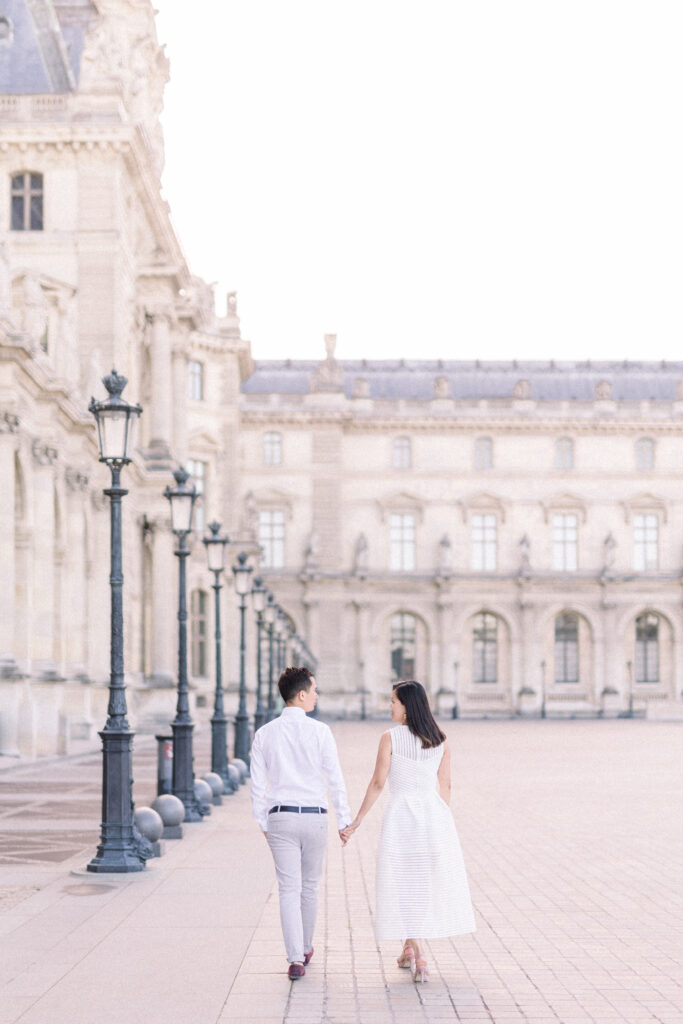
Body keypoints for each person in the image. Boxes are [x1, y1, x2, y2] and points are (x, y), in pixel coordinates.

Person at [342, 680, 476, 982]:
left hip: (401, 818)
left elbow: (378, 783)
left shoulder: (390, 738)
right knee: (420, 883)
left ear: (407, 707)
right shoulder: (440, 740)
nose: (389, 705)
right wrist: (442, 821)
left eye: (393, 701)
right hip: (434, 817)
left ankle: (420, 955)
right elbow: (446, 786)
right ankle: (409, 949)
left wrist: (358, 819)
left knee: (403, 882)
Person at [250, 666, 352, 980]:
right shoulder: (320, 731)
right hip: (315, 817)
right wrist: (344, 820)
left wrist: (262, 822)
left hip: (280, 816)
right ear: (302, 694)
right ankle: (307, 947)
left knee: (288, 889)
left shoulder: (264, 733)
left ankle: (295, 958)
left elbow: (257, 785)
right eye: (315, 690)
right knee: (309, 888)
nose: (317, 696)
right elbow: (335, 779)